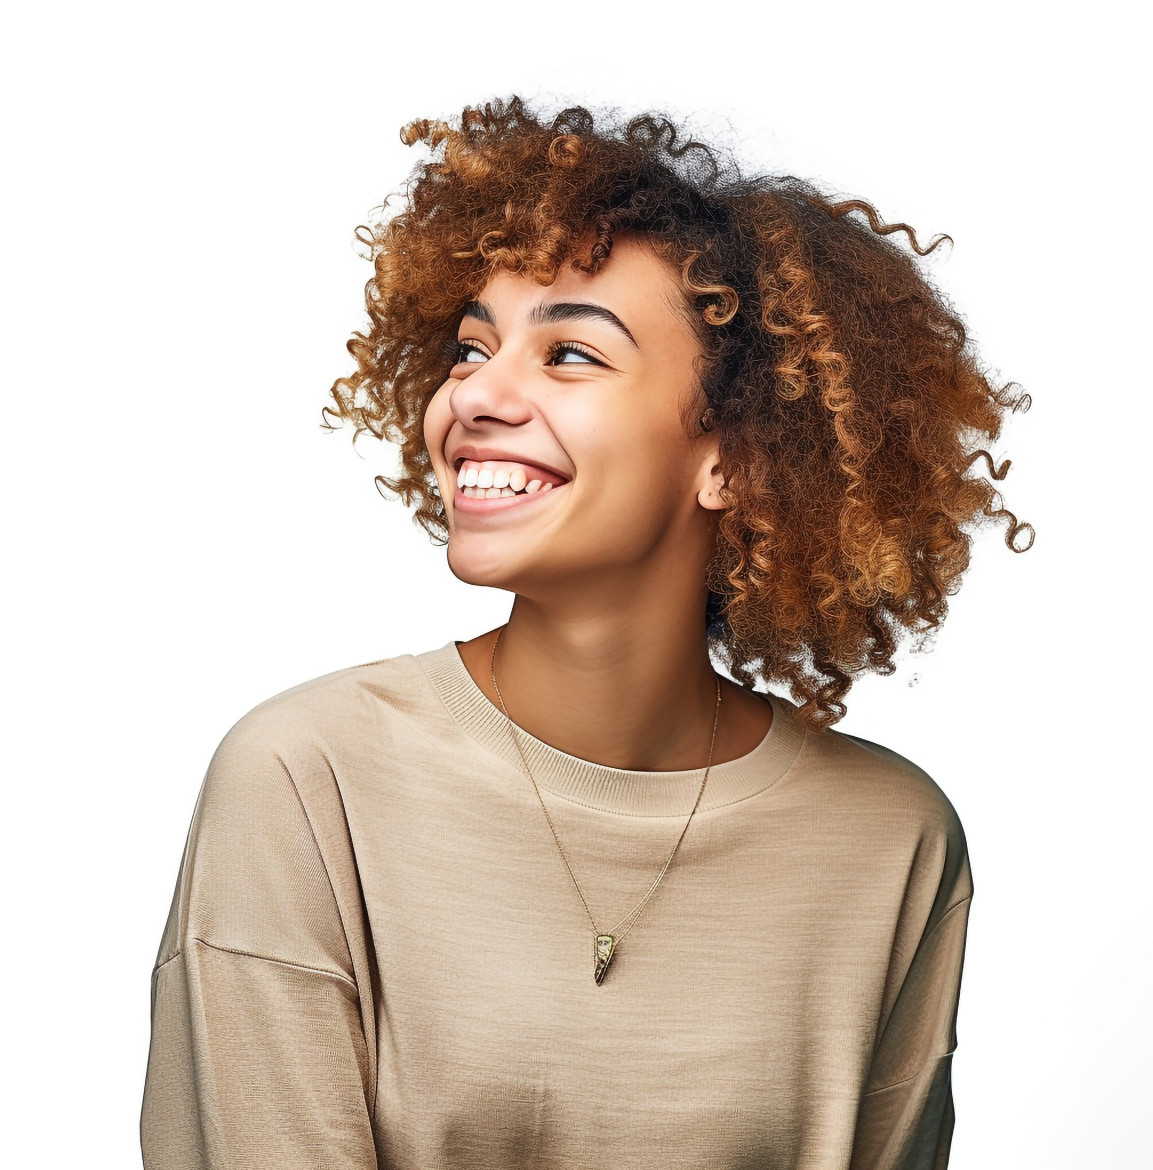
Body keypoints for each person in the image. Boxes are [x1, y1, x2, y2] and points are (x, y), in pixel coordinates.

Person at [140, 97, 1031, 1169]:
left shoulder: (892, 842)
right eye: (472, 347)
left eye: (568, 356)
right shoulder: (306, 780)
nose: (474, 394)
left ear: (736, 459)